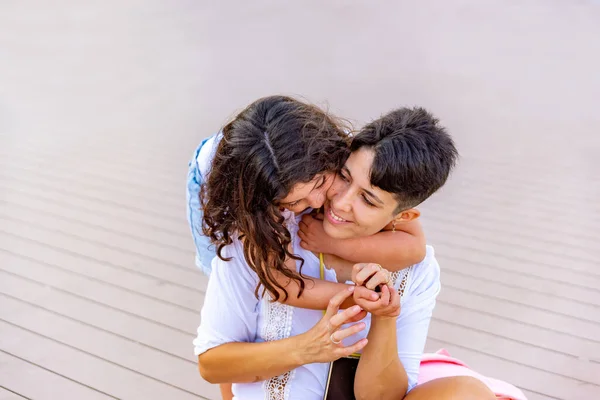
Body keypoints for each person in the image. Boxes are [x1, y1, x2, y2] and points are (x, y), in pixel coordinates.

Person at [193, 107, 499, 400]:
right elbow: (214, 361)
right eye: (343, 176)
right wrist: (305, 348)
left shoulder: (415, 269)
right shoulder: (269, 223)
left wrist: (384, 316)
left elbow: (381, 397)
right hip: (227, 177)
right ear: (337, 156)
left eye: (367, 199)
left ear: (401, 218)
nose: (339, 203)